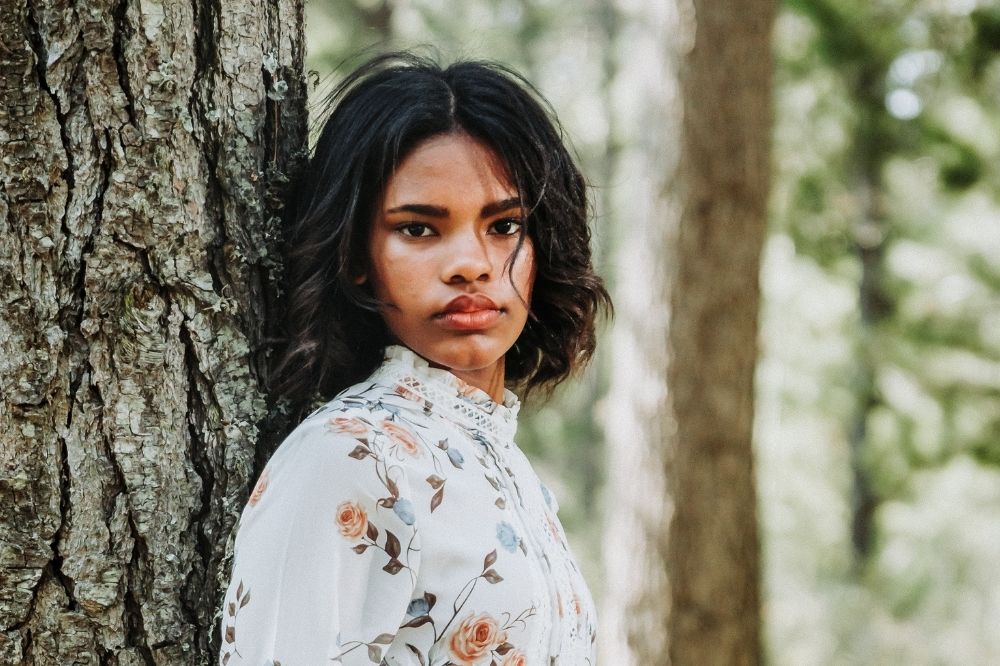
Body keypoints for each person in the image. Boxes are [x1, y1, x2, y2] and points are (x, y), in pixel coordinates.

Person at [217, 51, 611, 666]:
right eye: (419, 229)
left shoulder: (505, 465)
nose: (471, 264)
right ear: (355, 254)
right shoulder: (346, 458)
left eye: (504, 225)